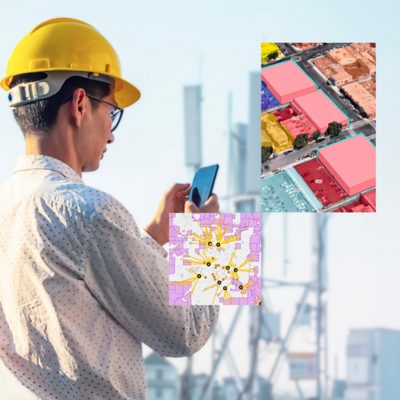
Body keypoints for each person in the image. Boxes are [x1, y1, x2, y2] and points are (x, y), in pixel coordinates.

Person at [0, 18, 219, 400]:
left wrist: (152, 236)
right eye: (111, 113)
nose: (112, 133)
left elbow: (76, 288)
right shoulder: (88, 211)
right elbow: (187, 333)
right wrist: (210, 240)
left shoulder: (11, 205)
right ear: (80, 104)